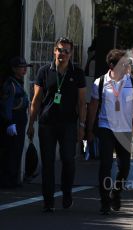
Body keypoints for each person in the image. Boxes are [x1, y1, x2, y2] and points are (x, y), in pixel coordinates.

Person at [27, 37, 86, 212]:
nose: (63, 54)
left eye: (67, 51)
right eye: (60, 50)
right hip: (47, 124)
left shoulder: (77, 73)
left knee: (68, 160)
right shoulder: (44, 71)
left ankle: (67, 193)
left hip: (68, 124)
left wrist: (82, 126)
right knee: (48, 163)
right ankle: (48, 200)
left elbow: (82, 102)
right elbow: (36, 100)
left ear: (71, 53)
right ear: (54, 51)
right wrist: (31, 123)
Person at [86, 49, 133, 215]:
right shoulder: (100, 82)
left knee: (125, 167)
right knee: (105, 165)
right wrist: (89, 130)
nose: (127, 66)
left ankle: (116, 192)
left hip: (125, 129)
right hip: (106, 127)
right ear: (112, 65)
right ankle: (105, 201)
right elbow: (93, 107)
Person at [0, 57, 31, 188]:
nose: (24, 69)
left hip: (20, 119)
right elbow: (6, 105)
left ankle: (13, 178)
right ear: (14, 69)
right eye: (21, 67)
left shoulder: (18, 82)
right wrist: (9, 122)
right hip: (14, 119)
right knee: (11, 151)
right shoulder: (10, 84)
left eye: (25, 67)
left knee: (17, 150)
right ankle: (7, 180)